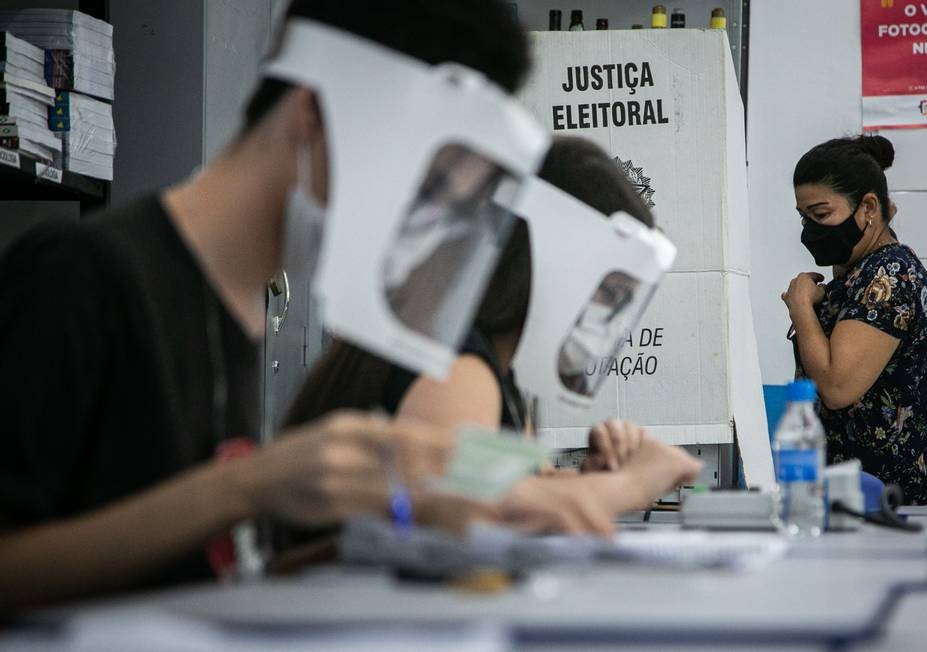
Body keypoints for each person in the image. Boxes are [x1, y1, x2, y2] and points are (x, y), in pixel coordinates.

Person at [0, 0, 534, 610]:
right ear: (312, 113)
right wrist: (246, 486)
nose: (409, 231)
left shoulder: (243, 307)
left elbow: (199, 571)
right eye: (411, 184)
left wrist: (389, 527)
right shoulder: (81, 275)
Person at [286, 137, 703, 536]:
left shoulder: (491, 367)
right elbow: (471, 521)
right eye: (608, 293)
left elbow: (512, 495)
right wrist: (630, 485)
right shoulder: (459, 370)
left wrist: (590, 480)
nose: (608, 318)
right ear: (556, 261)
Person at [782, 134, 927, 506]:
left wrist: (802, 308)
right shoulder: (861, 271)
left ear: (868, 207)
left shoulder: (889, 276)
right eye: (804, 216)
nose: (811, 229)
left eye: (821, 215)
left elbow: (838, 388)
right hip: (847, 491)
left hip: (886, 498)